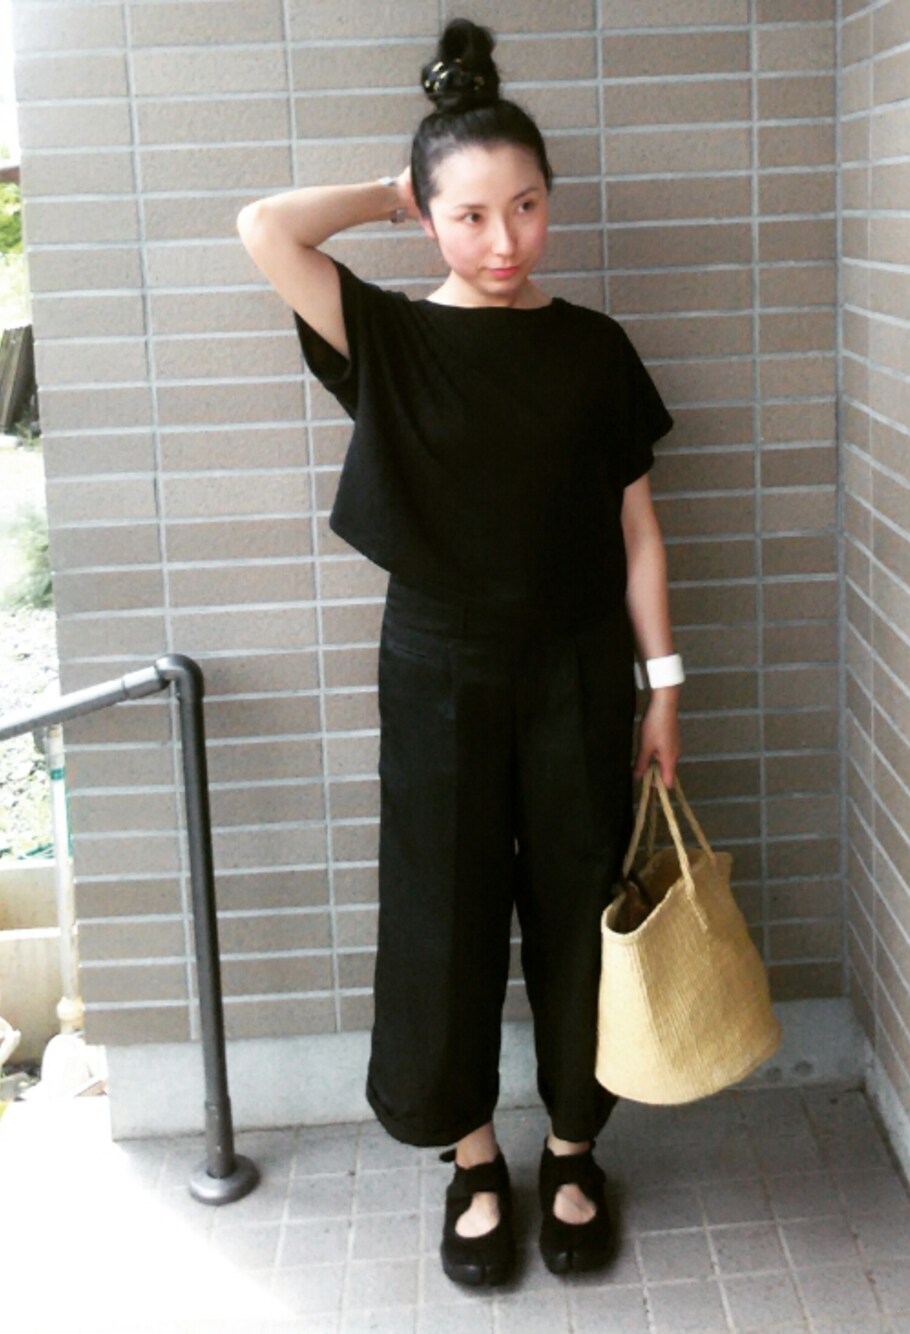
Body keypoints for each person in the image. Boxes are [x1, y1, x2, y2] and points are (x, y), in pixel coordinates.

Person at [238, 17, 682, 1287]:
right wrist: (394, 185)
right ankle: (474, 1156)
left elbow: (637, 529)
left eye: (526, 206)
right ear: (427, 218)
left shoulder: (591, 345)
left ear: (551, 201)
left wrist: (663, 688)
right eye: (470, 215)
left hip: (581, 663)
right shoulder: (386, 338)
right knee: (439, 907)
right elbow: (266, 227)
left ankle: (576, 1147)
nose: (504, 239)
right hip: (435, 664)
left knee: (582, 901)